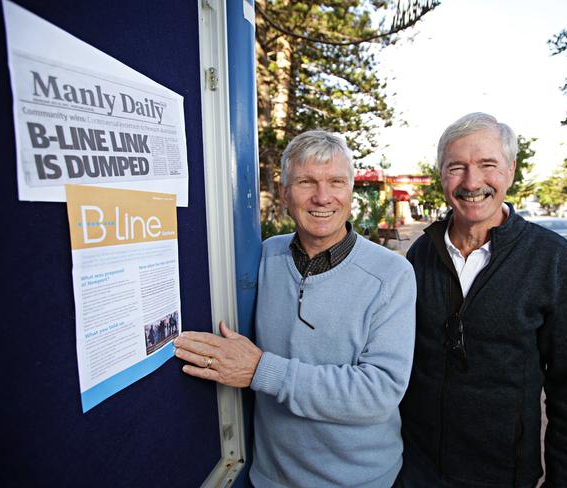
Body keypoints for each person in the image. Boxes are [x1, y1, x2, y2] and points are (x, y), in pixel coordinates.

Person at [174, 130, 416, 488]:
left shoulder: (392, 274)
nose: (323, 197)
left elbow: (377, 393)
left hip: (360, 480)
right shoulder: (264, 257)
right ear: (285, 193)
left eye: (336, 181)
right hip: (270, 478)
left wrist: (260, 370)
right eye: (305, 181)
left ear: (350, 192)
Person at [397, 113, 567, 487]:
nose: (472, 182)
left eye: (487, 165)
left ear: (510, 169)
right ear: (441, 174)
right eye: (457, 167)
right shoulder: (421, 253)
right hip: (415, 471)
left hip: (503, 476)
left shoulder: (553, 260)